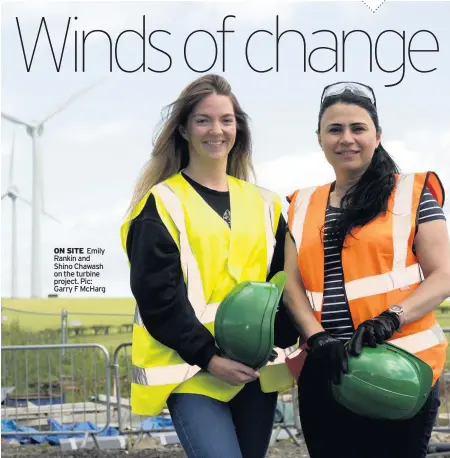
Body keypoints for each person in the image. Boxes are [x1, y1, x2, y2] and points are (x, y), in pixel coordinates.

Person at [120, 74, 298, 458]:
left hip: (254, 374)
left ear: (239, 129)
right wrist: (210, 357)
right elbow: (158, 297)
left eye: (226, 120)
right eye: (203, 120)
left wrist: (281, 341)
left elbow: (286, 285)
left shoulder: (268, 204)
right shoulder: (161, 204)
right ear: (183, 129)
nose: (216, 130)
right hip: (194, 372)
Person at [283, 81, 450, 458]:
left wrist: (391, 318)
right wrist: (317, 338)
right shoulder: (300, 204)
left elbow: (443, 274)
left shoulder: (411, 192)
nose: (347, 139)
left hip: (399, 370)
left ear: (377, 135)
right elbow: (292, 287)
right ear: (320, 138)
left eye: (358, 128)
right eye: (335, 129)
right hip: (327, 372)